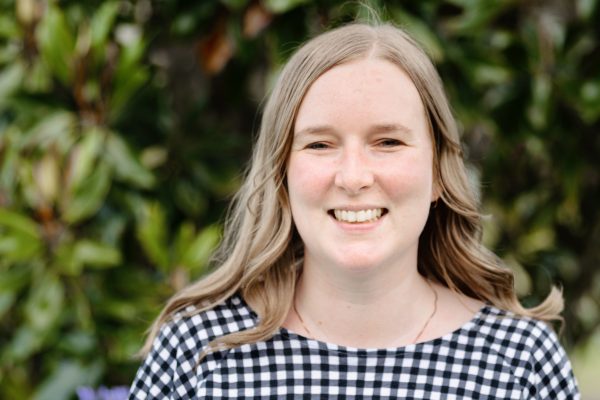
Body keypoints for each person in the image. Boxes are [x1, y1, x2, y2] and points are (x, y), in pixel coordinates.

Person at [128, 22, 580, 399]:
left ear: (440, 171)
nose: (353, 177)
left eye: (388, 142)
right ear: (282, 173)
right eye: (320, 144)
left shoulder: (521, 363)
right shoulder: (198, 354)